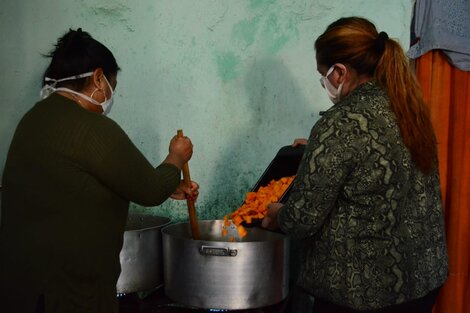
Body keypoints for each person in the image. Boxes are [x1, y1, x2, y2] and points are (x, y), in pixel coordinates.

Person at [0, 28, 199, 313]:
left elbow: (76, 181)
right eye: (111, 86)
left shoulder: (33, 119)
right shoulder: (92, 129)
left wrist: (170, 184)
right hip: (70, 293)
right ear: (97, 78)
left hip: (22, 287)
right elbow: (150, 190)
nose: (109, 96)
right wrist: (176, 157)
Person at [262, 17, 448, 313]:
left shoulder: (340, 123)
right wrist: (319, 152)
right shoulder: (406, 105)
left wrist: (278, 214)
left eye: (322, 75)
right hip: (423, 280)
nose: (324, 83)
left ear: (339, 72)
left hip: (365, 291)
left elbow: (302, 219)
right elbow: (378, 156)